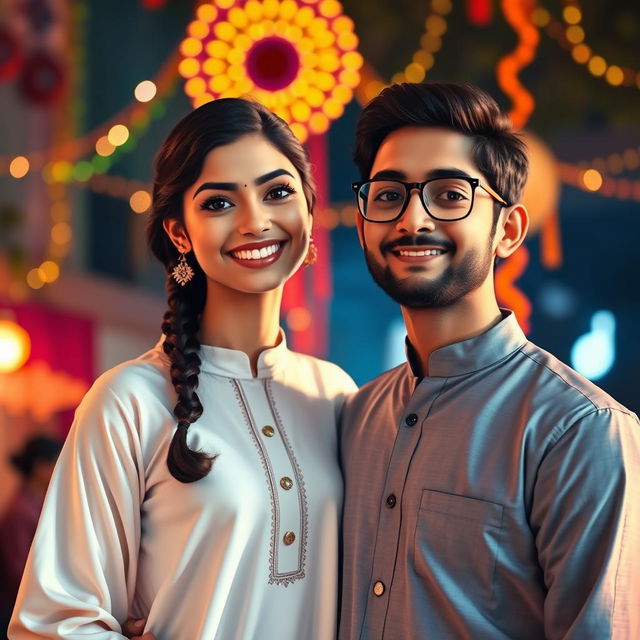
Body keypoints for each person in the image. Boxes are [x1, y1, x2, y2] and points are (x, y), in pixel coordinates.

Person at [9, 98, 356, 640]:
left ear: (309, 212)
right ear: (179, 233)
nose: (255, 220)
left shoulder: (336, 394)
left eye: (279, 192)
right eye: (219, 202)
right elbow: (52, 623)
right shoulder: (128, 400)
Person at [339, 82, 640, 639]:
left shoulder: (579, 431)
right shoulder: (354, 417)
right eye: (388, 196)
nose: (412, 220)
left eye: (450, 195)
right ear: (362, 222)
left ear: (509, 230)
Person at [0, 435, 62, 637]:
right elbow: (20, 573)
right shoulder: (21, 511)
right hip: (21, 612)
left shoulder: (37, 503)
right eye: (57, 462)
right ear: (40, 467)